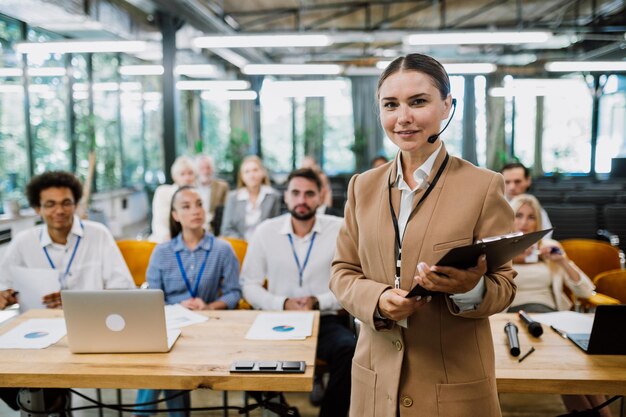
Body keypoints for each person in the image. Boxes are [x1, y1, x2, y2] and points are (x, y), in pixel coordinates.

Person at [330, 53, 517, 417]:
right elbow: (342, 272)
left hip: (452, 388)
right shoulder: (362, 187)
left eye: (418, 102)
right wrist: (379, 299)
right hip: (375, 384)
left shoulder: (483, 187)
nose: (403, 118)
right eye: (390, 105)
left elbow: (505, 287)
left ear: (447, 105)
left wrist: (470, 288)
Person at [241, 168, 355, 417]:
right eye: (295, 193)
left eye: (309, 193)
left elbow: (353, 281)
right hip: (277, 321)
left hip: (324, 320)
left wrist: (319, 301)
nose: (302, 200)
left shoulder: (340, 229)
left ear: (320, 196)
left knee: (350, 350)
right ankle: (282, 412)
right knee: (241, 358)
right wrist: (281, 303)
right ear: (286, 197)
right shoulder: (265, 232)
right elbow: (249, 283)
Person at [135, 185, 242, 417]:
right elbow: (152, 298)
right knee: (162, 358)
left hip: (207, 327)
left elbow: (234, 293)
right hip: (169, 325)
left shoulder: (222, 249)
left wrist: (209, 306)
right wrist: (176, 306)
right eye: (186, 206)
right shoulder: (162, 252)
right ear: (175, 216)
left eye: (199, 204)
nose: (195, 211)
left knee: (165, 360)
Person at [507, 194, 611, 417]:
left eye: (530, 217)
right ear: (509, 218)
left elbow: (585, 290)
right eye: (518, 216)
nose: (524, 223)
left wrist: (561, 260)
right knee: (568, 365)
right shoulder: (500, 250)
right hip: (510, 318)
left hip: (550, 316)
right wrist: (510, 258)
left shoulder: (549, 247)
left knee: (577, 367)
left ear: (538, 222)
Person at [0, 171, 135, 308]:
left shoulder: (99, 235)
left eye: (66, 203)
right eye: (50, 204)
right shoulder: (23, 242)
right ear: (38, 209)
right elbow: (4, 285)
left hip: (90, 318)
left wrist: (78, 301)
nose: (59, 211)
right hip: (40, 321)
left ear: (75, 205)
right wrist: (6, 296)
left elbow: (123, 287)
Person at [220, 155, 281, 240]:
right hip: (240, 246)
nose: (251, 175)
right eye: (247, 172)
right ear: (242, 176)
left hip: (266, 244)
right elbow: (226, 229)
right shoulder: (233, 198)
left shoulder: (273, 196)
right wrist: (244, 243)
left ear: (263, 173)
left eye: (255, 170)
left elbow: (277, 227)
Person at [149, 156, 197, 243]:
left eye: (190, 173)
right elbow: (159, 224)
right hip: (165, 241)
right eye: (182, 174)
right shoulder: (163, 192)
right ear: (175, 176)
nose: (187, 178)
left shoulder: (197, 195)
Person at [501, 162, 553, 235]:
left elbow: (545, 237)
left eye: (517, 181)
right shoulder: (491, 209)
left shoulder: (535, 208)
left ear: (528, 181)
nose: (512, 187)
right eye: (507, 182)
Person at [195, 155, 229, 234]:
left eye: (208, 168)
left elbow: (226, 211)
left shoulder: (222, 186)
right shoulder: (191, 187)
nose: (205, 171)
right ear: (197, 170)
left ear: (213, 169)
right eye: (202, 168)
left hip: (215, 228)